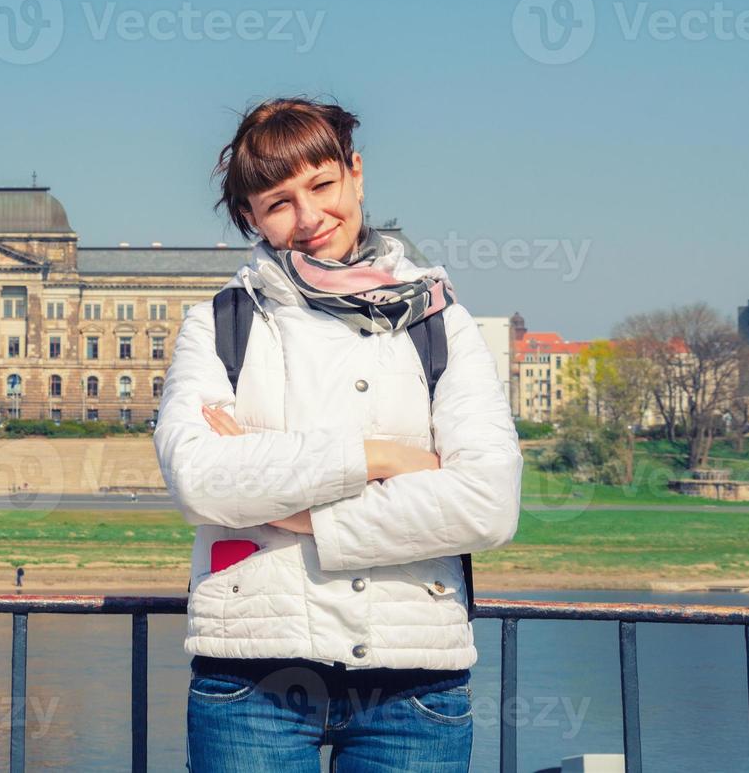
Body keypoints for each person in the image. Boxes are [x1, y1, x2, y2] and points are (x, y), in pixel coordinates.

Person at [154, 97, 523, 773]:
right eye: (278, 202)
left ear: (355, 174)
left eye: (322, 185)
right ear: (250, 219)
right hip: (251, 677)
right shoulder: (220, 323)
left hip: (413, 685)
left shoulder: (440, 322)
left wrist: (299, 516)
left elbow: (487, 503)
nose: (310, 217)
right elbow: (201, 481)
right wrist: (380, 458)